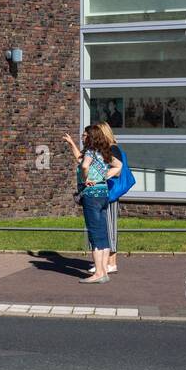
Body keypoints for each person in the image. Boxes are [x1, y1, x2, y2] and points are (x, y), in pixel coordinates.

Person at [62, 126, 123, 284]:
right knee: (102, 233)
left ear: (91, 137)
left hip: (91, 196)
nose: (83, 137)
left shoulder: (90, 152)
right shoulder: (104, 152)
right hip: (103, 194)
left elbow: (83, 165)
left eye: (85, 135)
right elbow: (118, 166)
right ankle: (103, 271)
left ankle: (98, 274)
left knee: (95, 234)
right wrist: (103, 177)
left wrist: (85, 178)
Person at [95, 122, 123, 273]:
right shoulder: (108, 149)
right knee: (106, 226)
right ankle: (107, 263)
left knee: (110, 227)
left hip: (111, 193)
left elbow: (117, 169)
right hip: (107, 192)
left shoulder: (112, 149)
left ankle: (111, 263)